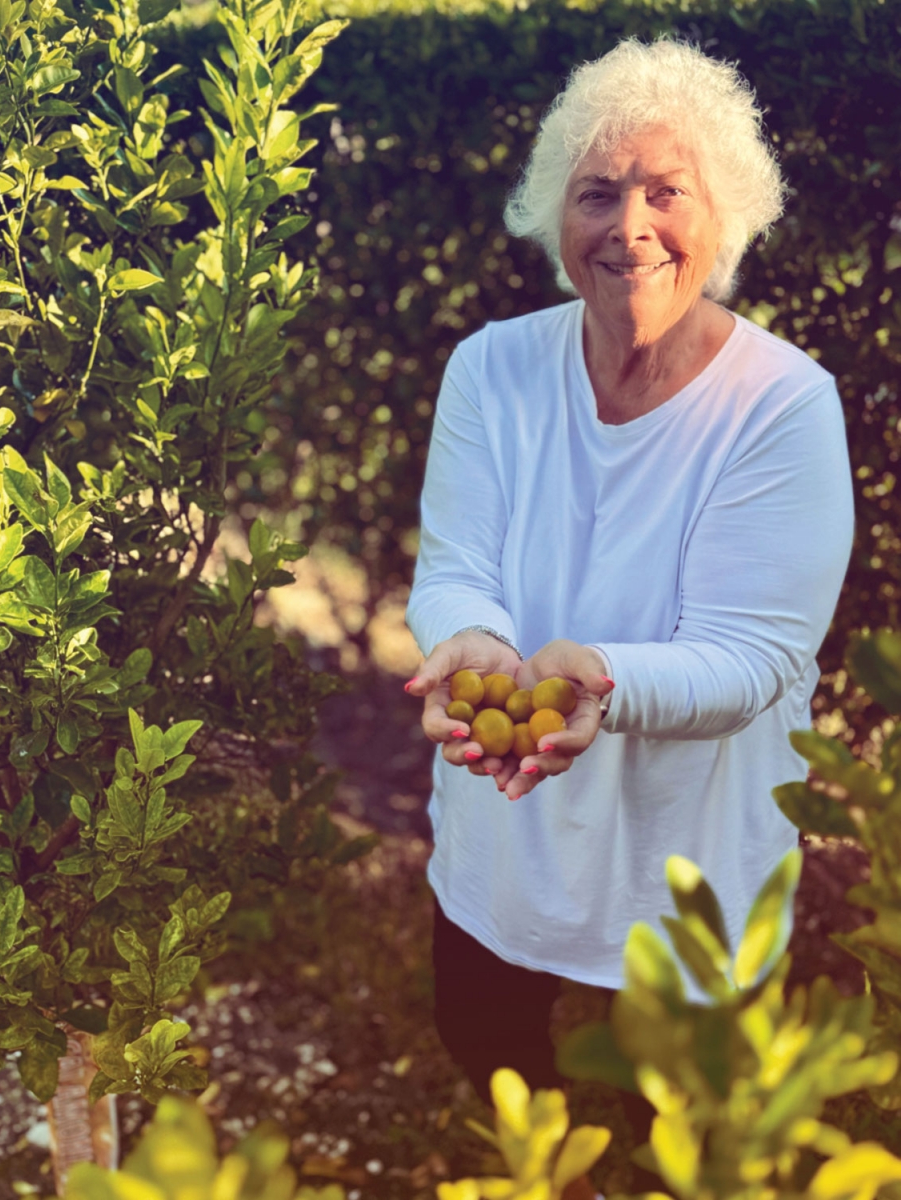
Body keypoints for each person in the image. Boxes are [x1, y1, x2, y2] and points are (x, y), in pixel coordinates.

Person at [402, 34, 854, 1183]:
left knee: (686, 1129)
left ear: (727, 214)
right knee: (490, 1048)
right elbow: (455, 565)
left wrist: (597, 675)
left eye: (667, 191)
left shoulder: (782, 404)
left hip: (689, 852)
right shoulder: (492, 370)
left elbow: (753, 654)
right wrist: (474, 644)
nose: (631, 227)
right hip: (510, 827)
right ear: (555, 215)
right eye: (597, 193)